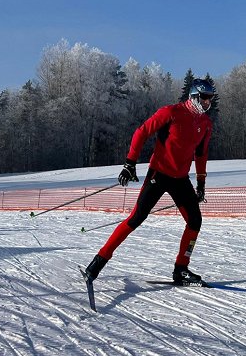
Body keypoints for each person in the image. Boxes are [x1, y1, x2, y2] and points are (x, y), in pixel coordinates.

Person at [84, 79, 216, 285]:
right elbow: (142, 132)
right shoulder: (171, 112)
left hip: (180, 179)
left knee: (195, 221)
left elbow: (201, 154)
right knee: (136, 218)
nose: (208, 103)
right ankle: (98, 261)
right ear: (193, 97)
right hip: (159, 174)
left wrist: (201, 183)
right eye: (204, 98)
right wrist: (130, 163)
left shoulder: (205, 124)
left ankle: (181, 268)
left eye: (210, 99)